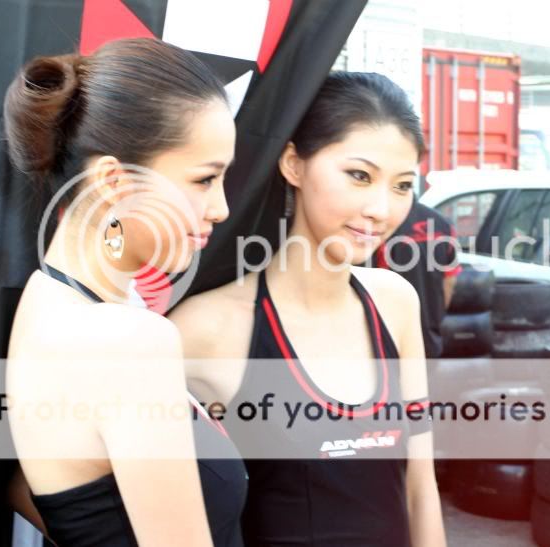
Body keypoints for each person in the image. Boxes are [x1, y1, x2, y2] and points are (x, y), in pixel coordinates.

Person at [169, 72, 447, 547]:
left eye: (403, 185)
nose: (381, 209)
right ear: (294, 164)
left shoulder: (395, 302)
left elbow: (420, 487)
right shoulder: (205, 328)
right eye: (359, 175)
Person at [4, 38, 244, 546]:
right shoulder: (128, 342)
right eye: (204, 180)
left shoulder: (48, 300)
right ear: (114, 181)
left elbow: (34, 489)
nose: (221, 208)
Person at [366, 199, 462, 358]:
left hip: (388, 339)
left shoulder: (380, 225)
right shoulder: (442, 224)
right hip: (429, 337)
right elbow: (449, 281)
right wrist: (435, 316)